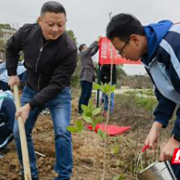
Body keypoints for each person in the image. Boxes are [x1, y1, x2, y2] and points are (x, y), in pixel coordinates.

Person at [6, 1, 77, 180]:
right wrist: (12, 73)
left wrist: (30, 105)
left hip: (58, 95)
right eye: (51, 24)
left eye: (60, 25)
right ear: (40, 20)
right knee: (19, 130)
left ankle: (63, 175)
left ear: (65, 23)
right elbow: (11, 48)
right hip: (31, 88)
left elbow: (56, 85)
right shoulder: (26, 33)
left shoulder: (68, 49)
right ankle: (29, 172)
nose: (55, 29)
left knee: (62, 132)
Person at [106, 13, 180, 179]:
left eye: (121, 50)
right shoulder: (149, 56)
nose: (121, 55)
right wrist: (156, 126)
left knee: (177, 158)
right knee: (177, 163)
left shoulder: (172, 44)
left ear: (134, 39)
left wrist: (176, 139)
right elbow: (167, 93)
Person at [78, 40, 99, 114]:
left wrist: (98, 45)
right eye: (85, 47)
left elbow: (94, 51)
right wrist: (96, 41)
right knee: (84, 94)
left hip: (89, 78)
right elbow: (90, 49)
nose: (87, 47)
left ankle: (85, 110)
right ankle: (81, 110)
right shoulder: (83, 54)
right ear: (82, 49)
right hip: (85, 77)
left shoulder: (88, 55)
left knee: (88, 95)